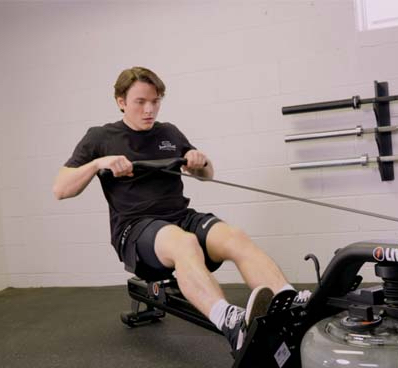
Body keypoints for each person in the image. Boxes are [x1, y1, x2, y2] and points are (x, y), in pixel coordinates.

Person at [52, 66, 309, 352]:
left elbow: (206, 174)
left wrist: (200, 160)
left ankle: (288, 299)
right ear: (121, 101)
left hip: (180, 217)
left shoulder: (169, 132)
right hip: (136, 229)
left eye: (156, 101)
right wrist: (98, 164)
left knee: (234, 237)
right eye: (141, 102)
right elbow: (61, 189)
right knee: (184, 243)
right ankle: (230, 321)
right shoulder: (100, 137)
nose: (150, 109)